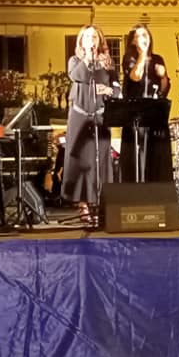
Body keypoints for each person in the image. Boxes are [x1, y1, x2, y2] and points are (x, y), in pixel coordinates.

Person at [62, 25, 117, 220]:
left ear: (99, 40)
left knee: (100, 159)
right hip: (79, 116)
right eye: (87, 37)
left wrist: (109, 91)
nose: (91, 40)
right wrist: (87, 57)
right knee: (80, 159)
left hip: (100, 116)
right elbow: (77, 76)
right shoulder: (75, 61)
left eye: (94, 37)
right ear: (81, 41)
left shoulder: (107, 63)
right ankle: (82, 204)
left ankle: (99, 203)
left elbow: (117, 88)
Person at [120, 23, 173, 183]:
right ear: (133, 41)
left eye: (145, 35)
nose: (143, 38)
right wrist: (142, 55)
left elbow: (164, 89)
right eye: (138, 36)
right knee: (137, 155)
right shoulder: (129, 59)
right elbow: (135, 77)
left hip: (154, 113)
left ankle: (157, 189)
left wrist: (163, 77)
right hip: (136, 115)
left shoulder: (158, 59)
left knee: (156, 155)